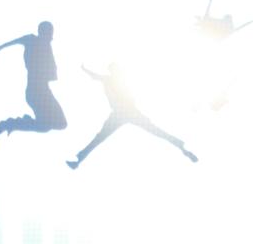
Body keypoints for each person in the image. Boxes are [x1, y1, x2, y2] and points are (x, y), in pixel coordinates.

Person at [65, 61, 199, 169]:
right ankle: (79, 160)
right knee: (155, 131)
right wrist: (85, 69)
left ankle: (181, 146)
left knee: (101, 138)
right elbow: (97, 77)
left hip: (125, 113)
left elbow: (98, 77)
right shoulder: (115, 80)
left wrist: (85, 69)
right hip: (122, 114)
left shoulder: (114, 80)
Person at [0, 20, 66, 141]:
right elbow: (6, 44)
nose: (51, 38)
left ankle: (14, 124)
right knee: (48, 125)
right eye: (49, 34)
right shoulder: (30, 40)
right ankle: (8, 124)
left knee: (59, 124)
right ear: (42, 32)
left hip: (44, 91)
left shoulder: (47, 45)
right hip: (35, 93)